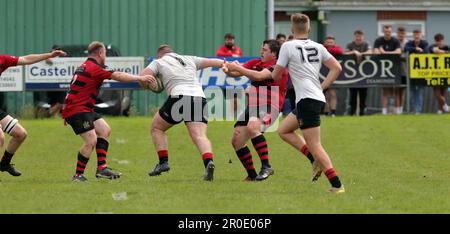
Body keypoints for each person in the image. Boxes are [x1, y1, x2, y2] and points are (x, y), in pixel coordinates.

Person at [223, 39, 319, 181]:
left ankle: (266, 166)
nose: (261, 51)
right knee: (237, 139)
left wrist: (237, 68)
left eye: (265, 49)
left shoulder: (278, 67)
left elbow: (258, 76)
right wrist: (227, 70)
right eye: (261, 48)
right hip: (253, 106)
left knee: (253, 127)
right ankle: (252, 175)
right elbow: (236, 73)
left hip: (270, 105)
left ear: (274, 54)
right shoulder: (255, 63)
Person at [271, 13, 344, 193]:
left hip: (307, 100)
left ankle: (337, 185)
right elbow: (337, 68)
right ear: (309, 29)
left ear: (291, 30)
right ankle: (314, 160)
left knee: (315, 144)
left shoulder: (287, 46)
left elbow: (275, 75)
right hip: (312, 98)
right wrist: (322, 87)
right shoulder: (318, 46)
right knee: (283, 130)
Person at [62, 41, 154, 182]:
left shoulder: (85, 66)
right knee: (91, 140)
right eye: (104, 53)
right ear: (100, 53)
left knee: (104, 130)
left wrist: (65, 109)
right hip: (78, 109)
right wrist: (139, 78)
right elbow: (118, 76)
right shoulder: (94, 68)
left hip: (81, 108)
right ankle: (78, 175)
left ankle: (102, 168)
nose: (105, 56)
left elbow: (73, 88)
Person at [140, 45, 226, 181]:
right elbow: (215, 62)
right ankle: (209, 162)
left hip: (179, 96)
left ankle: (163, 163)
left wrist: (148, 85)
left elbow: (143, 76)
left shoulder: (158, 62)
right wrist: (228, 64)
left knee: (157, 128)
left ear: (159, 55)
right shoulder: (189, 59)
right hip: (199, 98)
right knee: (200, 136)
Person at [0, 49, 66, 176]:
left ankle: (4, 164)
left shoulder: (2, 60)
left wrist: (49, 55)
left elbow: (26, 59)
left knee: (20, 134)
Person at [373, 25, 402, 115]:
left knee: (396, 90)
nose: (387, 33)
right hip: (383, 70)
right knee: (385, 91)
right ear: (383, 32)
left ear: (391, 32)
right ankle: (384, 112)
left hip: (395, 69)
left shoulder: (395, 40)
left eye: (389, 32)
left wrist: (385, 53)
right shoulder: (378, 40)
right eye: (386, 32)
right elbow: (375, 52)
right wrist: (380, 51)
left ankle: (396, 111)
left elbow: (399, 52)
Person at [345, 30, 372, 116]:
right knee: (353, 94)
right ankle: (352, 112)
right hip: (352, 74)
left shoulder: (366, 44)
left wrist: (361, 54)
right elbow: (344, 53)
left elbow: (370, 52)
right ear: (354, 37)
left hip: (364, 74)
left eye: (360, 36)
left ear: (363, 37)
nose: (358, 38)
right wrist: (353, 52)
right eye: (357, 36)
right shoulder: (350, 44)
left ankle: (362, 112)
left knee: (363, 94)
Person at [405, 29, 429, 115]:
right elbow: (405, 48)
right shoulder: (410, 43)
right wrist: (416, 49)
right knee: (411, 91)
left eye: (418, 35)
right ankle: (412, 109)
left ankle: (418, 110)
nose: (416, 36)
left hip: (421, 71)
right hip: (410, 71)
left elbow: (426, 51)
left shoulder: (425, 43)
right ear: (413, 36)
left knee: (419, 91)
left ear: (421, 35)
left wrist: (415, 52)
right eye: (415, 35)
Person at [428, 33, 450, 114]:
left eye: (440, 41)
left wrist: (441, 51)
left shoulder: (447, 47)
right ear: (435, 41)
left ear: (443, 41)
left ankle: (440, 110)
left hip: (445, 73)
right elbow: (433, 50)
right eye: (437, 41)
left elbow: (445, 52)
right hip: (434, 73)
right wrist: (440, 51)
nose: (439, 43)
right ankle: (446, 107)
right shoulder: (432, 46)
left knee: (443, 92)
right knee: (437, 93)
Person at [45, 45, 69, 118]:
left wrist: (64, 55)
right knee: (54, 102)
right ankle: (52, 115)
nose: (57, 51)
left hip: (61, 82)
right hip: (51, 83)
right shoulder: (49, 55)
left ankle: (49, 113)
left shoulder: (63, 57)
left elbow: (70, 59)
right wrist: (48, 59)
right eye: (56, 50)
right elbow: (44, 59)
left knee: (62, 102)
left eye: (59, 50)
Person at [323, 35, 343, 117]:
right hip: (322, 75)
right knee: (325, 95)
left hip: (334, 74)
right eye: (328, 42)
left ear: (334, 43)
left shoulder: (337, 48)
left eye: (331, 42)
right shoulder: (321, 48)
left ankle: (333, 112)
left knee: (333, 94)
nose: (329, 44)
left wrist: (328, 50)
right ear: (325, 42)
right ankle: (326, 112)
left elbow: (339, 51)